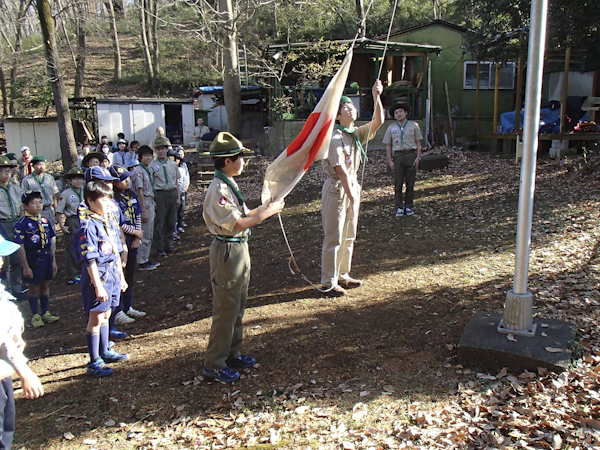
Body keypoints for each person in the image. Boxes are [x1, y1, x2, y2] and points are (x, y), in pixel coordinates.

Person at [201, 132, 284, 383]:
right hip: (227, 250)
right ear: (227, 161)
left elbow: (247, 212)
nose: (243, 162)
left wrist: (268, 205)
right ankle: (214, 363)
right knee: (226, 309)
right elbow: (238, 223)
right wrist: (269, 212)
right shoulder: (218, 189)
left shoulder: (228, 184)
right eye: (240, 158)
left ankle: (231, 353)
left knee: (237, 306)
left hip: (238, 248)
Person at [320, 81, 384, 297]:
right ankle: (328, 281)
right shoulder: (335, 138)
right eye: (345, 108)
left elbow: (378, 121)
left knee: (349, 235)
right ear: (337, 116)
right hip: (337, 188)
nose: (351, 109)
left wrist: (377, 96)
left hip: (351, 185)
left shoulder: (355, 134)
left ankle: (343, 275)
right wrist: (352, 195)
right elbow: (340, 170)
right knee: (334, 235)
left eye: (352, 106)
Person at [77, 179, 129, 378]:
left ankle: (105, 349)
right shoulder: (88, 225)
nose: (108, 204)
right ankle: (94, 360)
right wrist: (97, 286)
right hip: (98, 276)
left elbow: (115, 252)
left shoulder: (107, 221)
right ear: (90, 201)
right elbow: (89, 259)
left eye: (109, 199)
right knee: (96, 317)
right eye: (103, 199)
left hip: (112, 275)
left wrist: (121, 277)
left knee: (107, 314)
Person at [0, 233, 44, 449]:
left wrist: (16, 326)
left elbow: (8, 308)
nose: (2, 262)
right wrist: (25, 372)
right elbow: (2, 340)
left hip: (4, 375)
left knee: (6, 432)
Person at [15, 191, 59, 328]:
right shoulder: (22, 224)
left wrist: (53, 260)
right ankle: (35, 314)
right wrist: (26, 266)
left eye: (40, 202)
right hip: (33, 258)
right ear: (25, 206)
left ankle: (45, 311)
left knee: (45, 284)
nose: (38, 205)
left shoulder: (45, 220)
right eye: (33, 203)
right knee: (33, 287)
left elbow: (52, 240)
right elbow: (20, 246)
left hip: (46, 256)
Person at [109, 165, 146, 325]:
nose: (127, 181)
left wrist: (137, 235)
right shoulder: (112, 199)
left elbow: (137, 214)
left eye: (128, 178)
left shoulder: (131, 194)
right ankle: (117, 312)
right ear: (115, 183)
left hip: (133, 240)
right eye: (123, 179)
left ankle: (128, 306)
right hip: (120, 240)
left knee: (130, 275)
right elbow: (118, 223)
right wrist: (136, 232)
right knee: (119, 276)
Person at [383, 103, 423, 217]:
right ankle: (399, 207)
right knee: (398, 183)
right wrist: (390, 160)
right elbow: (388, 145)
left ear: (406, 113)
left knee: (410, 183)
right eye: (396, 113)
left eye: (401, 111)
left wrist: (418, 157)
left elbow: (418, 142)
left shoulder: (414, 125)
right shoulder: (391, 128)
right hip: (398, 156)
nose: (398, 114)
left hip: (410, 155)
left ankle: (409, 206)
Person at [131, 146, 159, 271]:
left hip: (150, 201)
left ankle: (145, 258)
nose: (148, 158)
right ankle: (142, 261)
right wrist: (143, 210)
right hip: (144, 202)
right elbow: (139, 191)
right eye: (145, 156)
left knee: (150, 232)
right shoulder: (138, 172)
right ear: (140, 157)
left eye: (150, 155)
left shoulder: (147, 170)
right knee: (145, 233)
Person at [151, 137, 180, 258]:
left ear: (166, 149)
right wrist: (154, 199)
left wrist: (178, 197)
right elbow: (152, 184)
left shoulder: (173, 164)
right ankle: (159, 247)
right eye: (158, 149)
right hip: (160, 194)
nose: (160, 151)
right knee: (159, 222)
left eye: (162, 149)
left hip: (172, 193)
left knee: (171, 220)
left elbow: (177, 182)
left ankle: (168, 244)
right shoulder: (152, 165)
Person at [0, 156, 24, 300]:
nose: (6, 174)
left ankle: (17, 288)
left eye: (9, 170)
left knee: (17, 258)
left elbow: (21, 207)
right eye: (3, 171)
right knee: (4, 260)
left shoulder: (15, 188)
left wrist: (21, 220)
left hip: (16, 222)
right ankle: (5, 290)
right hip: (2, 224)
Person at [56, 167, 85, 285]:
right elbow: (59, 211)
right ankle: (73, 274)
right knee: (72, 248)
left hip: (83, 219)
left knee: (83, 246)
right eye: (75, 179)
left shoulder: (84, 191)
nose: (78, 181)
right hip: (72, 220)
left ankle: (83, 270)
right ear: (69, 181)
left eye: (80, 179)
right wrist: (62, 226)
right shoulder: (66, 194)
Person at [20, 156, 58, 232]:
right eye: (38, 164)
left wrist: (56, 211)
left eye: (43, 164)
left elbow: (54, 196)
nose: (41, 167)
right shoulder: (27, 180)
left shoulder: (49, 178)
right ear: (33, 166)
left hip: (49, 209)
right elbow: (23, 199)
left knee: (51, 233)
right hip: (35, 211)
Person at [174, 147, 189, 235]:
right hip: (175, 192)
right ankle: (175, 226)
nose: (177, 161)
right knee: (175, 209)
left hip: (182, 191)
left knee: (181, 209)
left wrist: (186, 187)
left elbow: (186, 178)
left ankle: (180, 224)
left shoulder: (183, 168)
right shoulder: (172, 168)